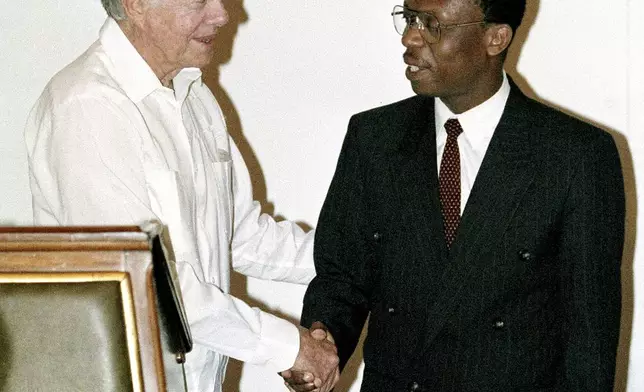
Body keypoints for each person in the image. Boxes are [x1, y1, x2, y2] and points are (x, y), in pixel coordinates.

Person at [294, 0, 625, 391]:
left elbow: (590, 331)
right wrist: (322, 341)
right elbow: (343, 275)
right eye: (409, 18)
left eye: (431, 24)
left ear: (495, 37)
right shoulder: (375, 138)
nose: (409, 37)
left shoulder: (574, 154)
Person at [24, 0, 339, 391]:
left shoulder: (193, 97)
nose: (221, 14)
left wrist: (370, 259)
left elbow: (243, 236)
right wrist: (288, 347)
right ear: (135, 4)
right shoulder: (88, 107)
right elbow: (146, 283)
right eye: (197, 2)